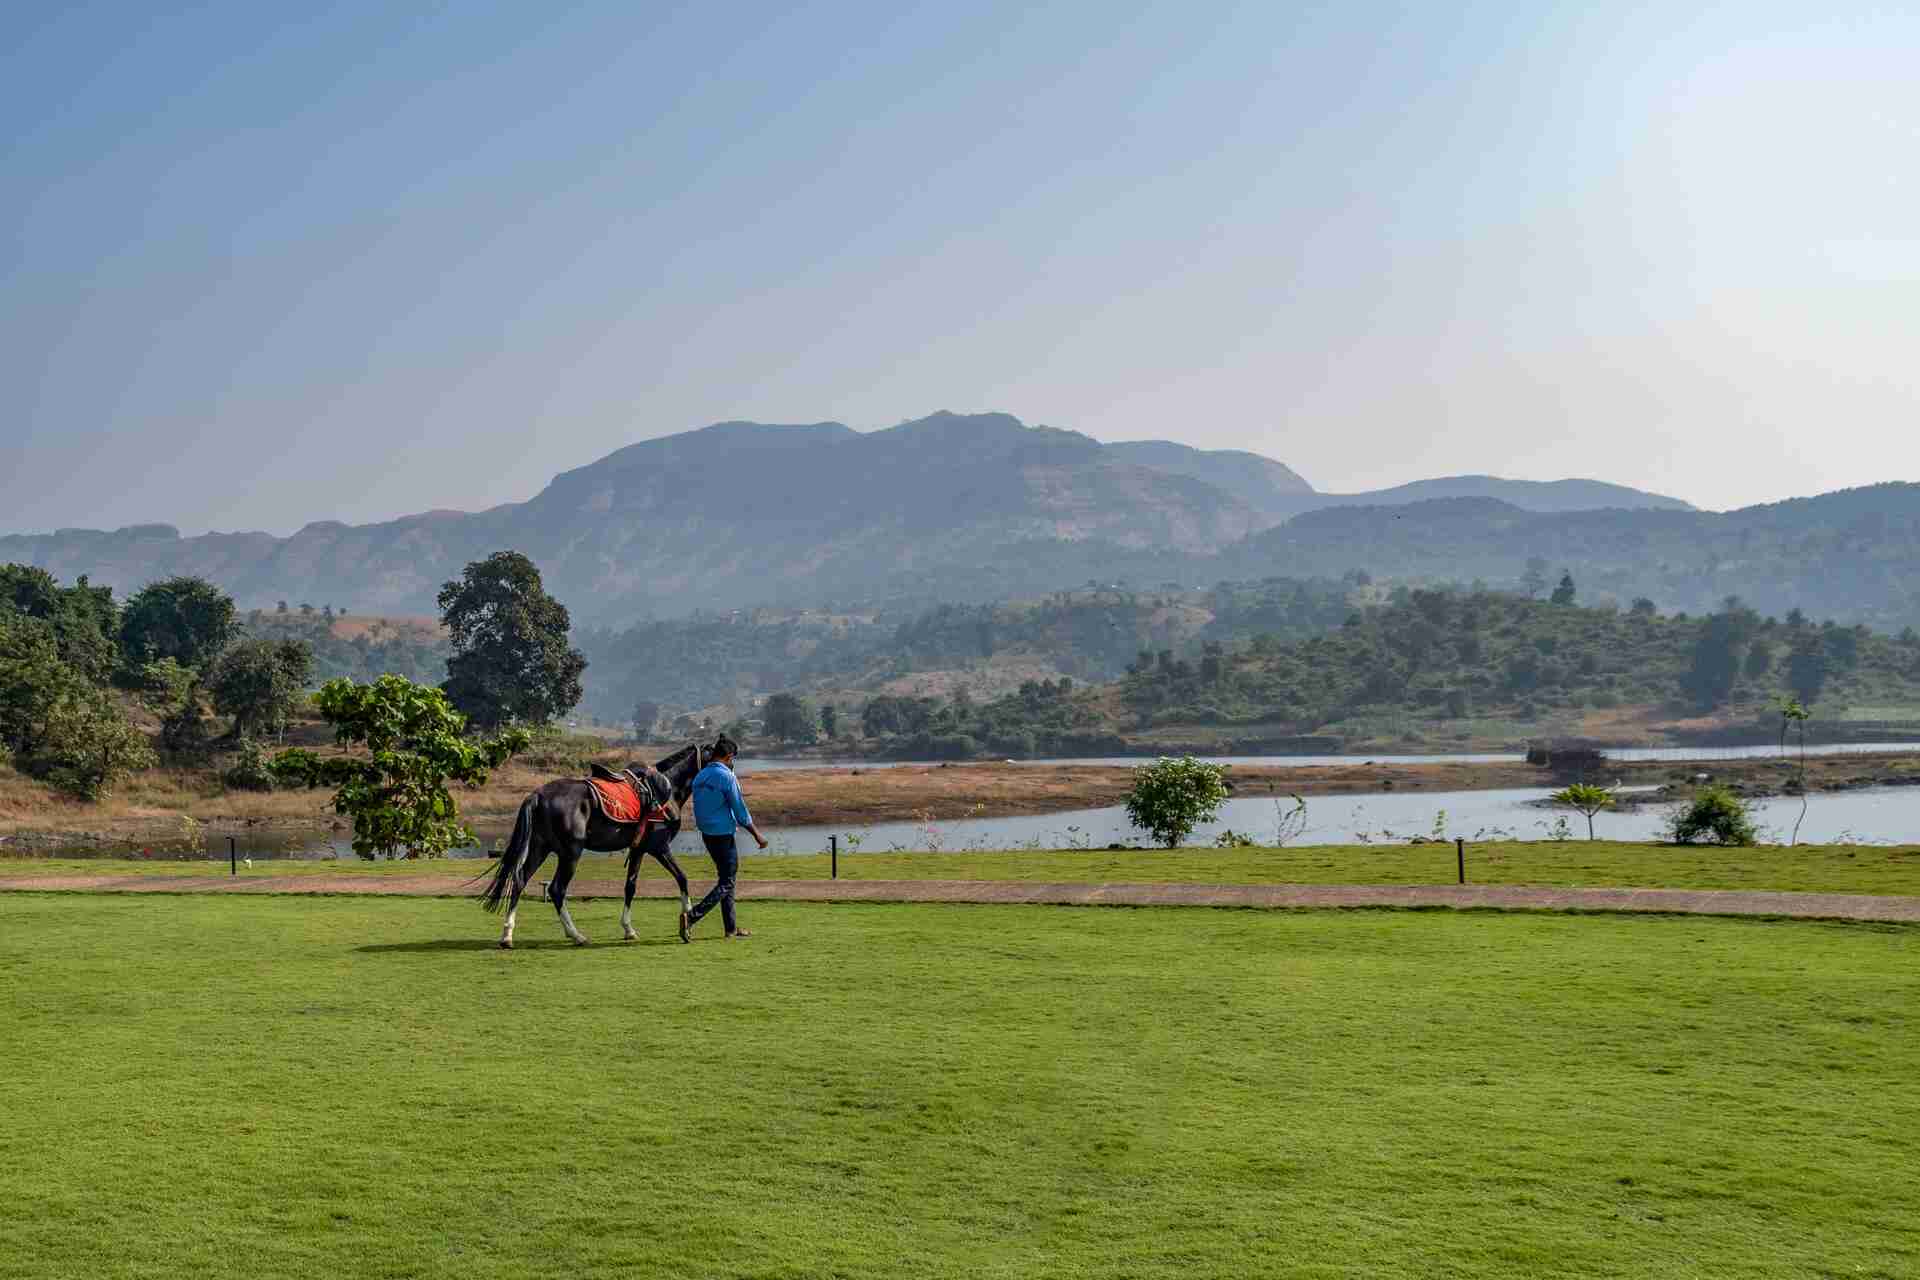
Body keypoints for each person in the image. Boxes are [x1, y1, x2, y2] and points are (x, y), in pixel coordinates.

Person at [681, 735, 767, 941]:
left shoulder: (701, 776)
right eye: (733, 758)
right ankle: (692, 917)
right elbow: (740, 810)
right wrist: (757, 836)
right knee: (727, 881)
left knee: (726, 879)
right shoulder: (727, 777)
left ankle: (730, 928)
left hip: (707, 835)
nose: (733, 762)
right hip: (723, 835)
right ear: (729, 756)